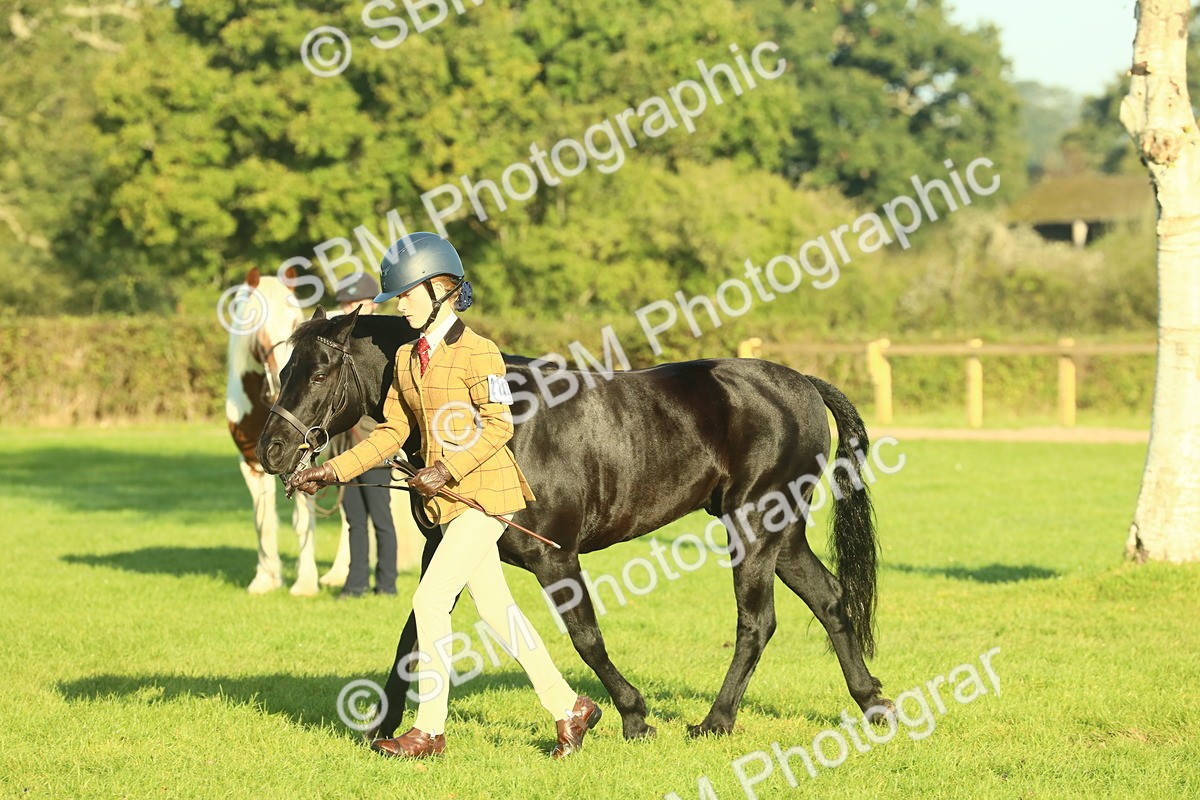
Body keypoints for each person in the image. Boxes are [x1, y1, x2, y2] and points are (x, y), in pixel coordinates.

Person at [290, 233, 600, 759]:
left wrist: (444, 469)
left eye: (407, 293)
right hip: (449, 505)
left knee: (431, 600)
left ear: (440, 289)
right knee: (499, 610)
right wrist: (332, 471)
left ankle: (428, 729)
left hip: (486, 497)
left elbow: (500, 426)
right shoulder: (410, 357)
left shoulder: (481, 353)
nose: (399, 303)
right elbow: (390, 431)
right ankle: (569, 706)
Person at [326, 274, 397, 598]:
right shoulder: (342, 346)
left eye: (352, 305)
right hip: (343, 449)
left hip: (375, 445)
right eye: (344, 305)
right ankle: (355, 584)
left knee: (381, 520)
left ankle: (386, 584)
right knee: (354, 520)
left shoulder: (383, 344)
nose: (346, 311)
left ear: (370, 305)